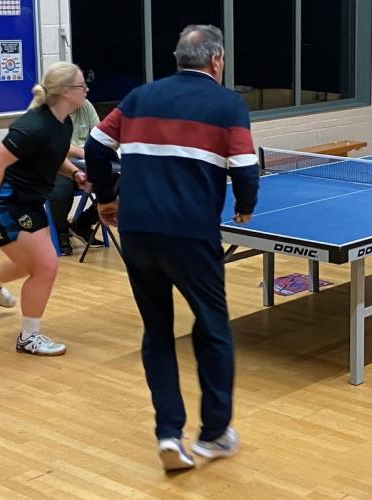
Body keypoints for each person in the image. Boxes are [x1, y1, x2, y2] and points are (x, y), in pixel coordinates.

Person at [84, 24, 259, 471]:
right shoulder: (228, 104)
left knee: (157, 330)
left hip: (138, 232)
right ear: (216, 60)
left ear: (179, 58)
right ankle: (215, 435)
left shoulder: (140, 98)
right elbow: (244, 166)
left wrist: (106, 198)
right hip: (190, 235)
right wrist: (244, 206)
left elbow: (95, 146)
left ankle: (169, 434)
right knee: (213, 328)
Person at [0, 62, 90, 355]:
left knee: (31, 261)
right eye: (82, 86)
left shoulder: (62, 122)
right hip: (5, 205)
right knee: (45, 266)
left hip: (27, 202)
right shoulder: (32, 125)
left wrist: (75, 174)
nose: (86, 90)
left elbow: (52, 156)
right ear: (66, 91)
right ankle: (29, 338)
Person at [47, 98, 101, 255]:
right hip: (58, 165)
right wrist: (84, 152)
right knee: (61, 190)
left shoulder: (86, 105)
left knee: (120, 185)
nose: (85, 92)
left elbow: (98, 133)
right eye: (80, 87)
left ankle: (83, 223)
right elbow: (57, 144)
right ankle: (61, 231)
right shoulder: (49, 110)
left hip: (85, 164)